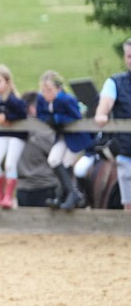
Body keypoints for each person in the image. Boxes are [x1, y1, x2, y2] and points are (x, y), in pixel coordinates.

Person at [36, 70, 94, 211]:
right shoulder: (43, 100)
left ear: (58, 88)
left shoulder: (67, 99)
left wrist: (57, 119)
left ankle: (64, 196)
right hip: (62, 137)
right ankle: (71, 194)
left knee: (66, 163)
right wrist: (49, 120)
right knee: (53, 160)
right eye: (44, 90)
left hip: (75, 137)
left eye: (49, 90)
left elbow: (76, 117)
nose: (46, 93)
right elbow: (41, 114)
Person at [92, 38, 131, 212]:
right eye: (129, 56)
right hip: (126, 149)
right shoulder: (115, 82)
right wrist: (101, 114)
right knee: (128, 202)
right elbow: (106, 102)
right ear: (125, 58)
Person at [0, 65, 27, 208]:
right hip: (2, 135)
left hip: (17, 136)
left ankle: (9, 196)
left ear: (7, 82)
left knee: (9, 164)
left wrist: (8, 117)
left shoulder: (13, 99)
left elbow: (22, 114)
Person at [16, 91, 59, 207]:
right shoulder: (42, 131)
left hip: (21, 188)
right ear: (33, 108)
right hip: (43, 187)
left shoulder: (16, 129)